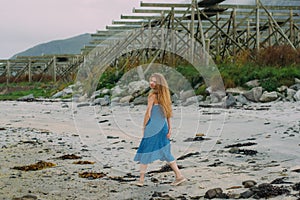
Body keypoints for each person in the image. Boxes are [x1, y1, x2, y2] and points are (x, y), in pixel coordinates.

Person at [133, 73, 186, 186]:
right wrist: (170, 128)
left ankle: (141, 180)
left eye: (154, 81)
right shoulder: (165, 96)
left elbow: (148, 112)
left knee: (145, 151)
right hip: (163, 127)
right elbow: (168, 114)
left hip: (152, 127)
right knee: (166, 152)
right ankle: (179, 176)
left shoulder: (152, 96)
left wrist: (144, 126)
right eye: (150, 81)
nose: (151, 83)